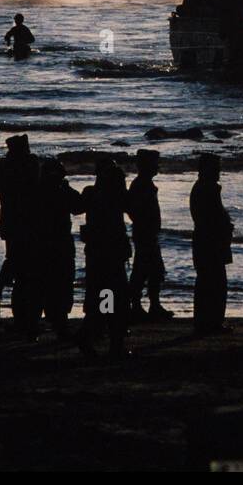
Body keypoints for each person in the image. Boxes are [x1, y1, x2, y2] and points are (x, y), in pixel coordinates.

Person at [78, 158, 132, 358]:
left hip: (100, 258)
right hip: (108, 260)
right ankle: (103, 341)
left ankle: (99, 338)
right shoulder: (109, 197)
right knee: (110, 301)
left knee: (105, 301)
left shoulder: (93, 194)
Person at [0, 134, 39, 326]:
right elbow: (34, 187)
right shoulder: (26, 167)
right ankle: (20, 307)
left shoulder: (3, 170)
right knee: (22, 263)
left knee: (13, 259)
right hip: (26, 221)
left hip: (10, 220)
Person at [33, 158, 83, 337]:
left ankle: (44, 320)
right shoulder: (59, 191)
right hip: (58, 242)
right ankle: (58, 321)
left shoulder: (38, 191)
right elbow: (78, 206)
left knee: (47, 282)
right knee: (61, 282)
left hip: (44, 242)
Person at [189, 153, 233, 335]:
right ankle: (212, 322)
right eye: (216, 168)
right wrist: (224, 227)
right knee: (215, 282)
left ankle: (205, 321)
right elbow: (211, 217)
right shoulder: (207, 189)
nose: (218, 172)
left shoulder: (202, 187)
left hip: (206, 240)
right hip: (210, 241)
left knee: (207, 281)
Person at [127, 149, 171, 321]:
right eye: (154, 163)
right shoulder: (140, 185)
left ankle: (151, 305)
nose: (157, 166)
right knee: (144, 269)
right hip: (145, 233)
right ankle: (139, 306)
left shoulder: (142, 184)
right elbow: (132, 209)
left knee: (152, 270)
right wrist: (144, 223)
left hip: (147, 233)